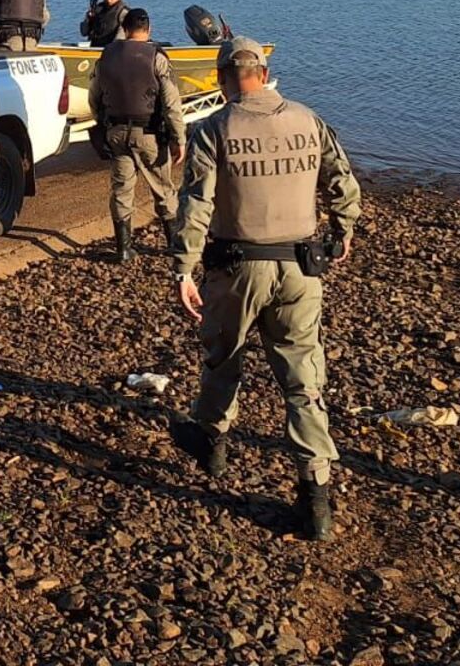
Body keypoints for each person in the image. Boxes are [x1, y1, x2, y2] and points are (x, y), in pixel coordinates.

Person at [169, 36, 361, 540]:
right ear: (263, 72)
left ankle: (212, 439)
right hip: (300, 267)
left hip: (237, 266)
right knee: (302, 375)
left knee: (223, 354)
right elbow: (341, 179)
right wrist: (343, 228)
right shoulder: (308, 120)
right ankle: (315, 493)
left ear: (222, 79)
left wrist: (184, 268)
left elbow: (196, 203)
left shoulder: (214, 128)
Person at [89, 7, 184, 263]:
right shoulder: (156, 58)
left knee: (121, 190)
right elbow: (171, 103)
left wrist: (102, 124)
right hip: (149, 134)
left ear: (125, 29)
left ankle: (124, 249)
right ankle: (174, 247)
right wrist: (179, 138)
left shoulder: (106, 56)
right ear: (149, 29)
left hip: (117, 134)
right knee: (163, 189)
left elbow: (94, 96)